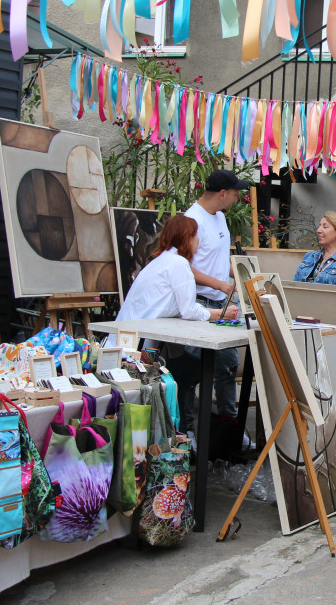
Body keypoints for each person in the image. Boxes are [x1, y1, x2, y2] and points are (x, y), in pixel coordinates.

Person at [107, 215, 237, 433]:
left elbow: (176, 308)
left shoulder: (160, 261)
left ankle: (185, 432)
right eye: (197, 236)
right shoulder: (178, 264)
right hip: (137, 349)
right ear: (188, 238)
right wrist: (221, 314)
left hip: (128, 341)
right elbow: (188, 310)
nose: (199, 242)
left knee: (187, 367)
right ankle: (186, 433)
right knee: (192, 370)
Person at [185, 169, 249, 423]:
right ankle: (187, 433)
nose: (236, 199)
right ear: (222, 194)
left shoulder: (220, 217)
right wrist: (221, 285)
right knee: (191, 369)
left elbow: (219, 260)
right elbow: (183, 268)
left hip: (222, 304)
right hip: (197, 303)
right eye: (235, 194)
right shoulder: (191, 220)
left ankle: (229, 426)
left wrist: (243, 273)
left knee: (228, 361)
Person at [292, 211, 336, 286]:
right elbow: (294, 288)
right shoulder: (309, 257)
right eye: (319, 226)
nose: (318, 230)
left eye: (325, 227)